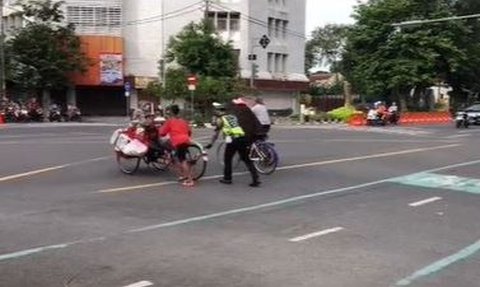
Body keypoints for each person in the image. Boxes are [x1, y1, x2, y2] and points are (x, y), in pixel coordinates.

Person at [205, 102, 260, 187]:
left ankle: (227, 178)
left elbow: (216, 134)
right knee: (246, 159)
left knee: (227, 159)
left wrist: (210, 144)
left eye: (216, 111)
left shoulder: (221, 119)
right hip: (242, 138)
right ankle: (255, 178)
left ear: (218, 111)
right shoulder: (232, 117)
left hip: (233, 140)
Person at [159, 105, 194, 187]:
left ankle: (190, 180)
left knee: (182, 160)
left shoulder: (170, 121)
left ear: (171, 112)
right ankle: (184, 175)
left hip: (178, 141)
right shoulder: (183, 120)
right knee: (180, 157)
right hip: (185, 140)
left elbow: (162, 133)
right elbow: (189, 131)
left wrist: (161, 131)